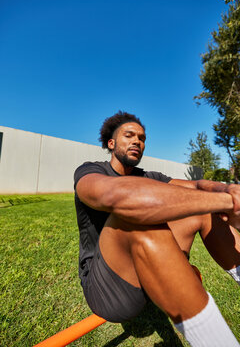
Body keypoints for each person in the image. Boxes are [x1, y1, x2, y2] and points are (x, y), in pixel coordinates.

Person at [74, 111, 240, 346]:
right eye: (129, 135)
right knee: (133, 216)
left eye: (141, 138)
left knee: (199, 204)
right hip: (107, 290)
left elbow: (196, 185)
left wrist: (227, 190)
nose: (137, 142)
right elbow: (119, 197)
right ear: (111, 143)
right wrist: (227, 203)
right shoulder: (91, 171)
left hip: (147, 274)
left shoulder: (150, 176)